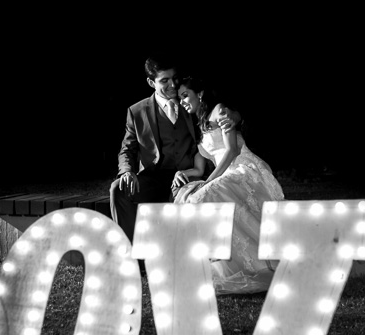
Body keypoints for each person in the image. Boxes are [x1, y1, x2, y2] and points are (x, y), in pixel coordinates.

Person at [171, 76, 285, 295]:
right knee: (190, 199)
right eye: (180, 98)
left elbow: (232, 150)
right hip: (225, 172)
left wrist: (209, 182)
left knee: (202, 196)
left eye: (185, 95)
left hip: (243, 168)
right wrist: (182, 173)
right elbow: (199, 168)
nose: (182, 101)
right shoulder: (199, 125)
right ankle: (224, 265)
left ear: (199, 94)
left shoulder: (219, 111)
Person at [110, 56, 238, 242]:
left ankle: (181, 252)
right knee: (118, 189)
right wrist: (127, 172)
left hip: (188, 175)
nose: (172, 85)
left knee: (183, 196)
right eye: (164, 81)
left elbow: (220, 111)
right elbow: (127, 149)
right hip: (153, 177)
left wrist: (234, 117)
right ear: (151, 82)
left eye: (174, 78)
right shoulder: (137, 111)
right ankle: (129, 252)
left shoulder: (189, 101)